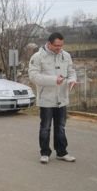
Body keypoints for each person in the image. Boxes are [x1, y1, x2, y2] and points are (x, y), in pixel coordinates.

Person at [28, 32, 77, 164]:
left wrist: (72, 80)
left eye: (61, 45)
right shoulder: (37, 57)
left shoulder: (66, 56)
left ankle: (62, 152)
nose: (59, 48)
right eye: (56, 45)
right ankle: (44, 153)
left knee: (60, 126)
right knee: (45, 127)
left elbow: (71, 71)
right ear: (49, 43)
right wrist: (54, 80)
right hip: (46, 98)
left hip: (62, 98)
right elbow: (34, 76)